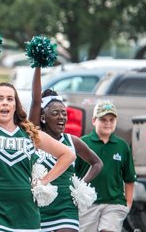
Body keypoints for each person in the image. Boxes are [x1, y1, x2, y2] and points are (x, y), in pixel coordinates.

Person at [0, 46, 75, 231]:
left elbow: (67, 155)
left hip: (26, 213)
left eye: (10, 99)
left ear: (15, 105)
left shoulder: (30, 133)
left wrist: (44, 180)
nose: (5, 102)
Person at [29, 68, 104, 232]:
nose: (61, 117)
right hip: (38, 208)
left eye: (64, 113)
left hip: (66, 208)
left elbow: (97, 163)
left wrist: (81, 185)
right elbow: (35, 100)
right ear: (43, 117)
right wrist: (38, 66)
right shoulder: (34, 136)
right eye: (55, 113)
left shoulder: (72, 141)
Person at [75, 101, 135, 232]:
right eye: (103, 119)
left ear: (116, 121)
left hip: (114, 203)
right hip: (87, 204)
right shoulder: (82, 143)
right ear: (94, 120)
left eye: (111, 119)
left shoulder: (122, 146)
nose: (108, 123)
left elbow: (129, 178)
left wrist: (128, 204)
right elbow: (73, 175)